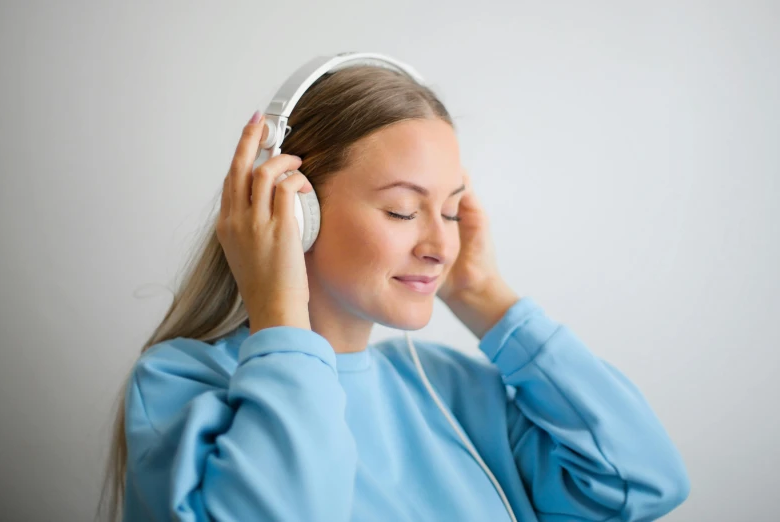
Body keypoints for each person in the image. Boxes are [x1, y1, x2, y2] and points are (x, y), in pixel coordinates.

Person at [97, 65, 690, 521]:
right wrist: (279, 315)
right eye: (403, 211)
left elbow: (642, 482)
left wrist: (483, 295)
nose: (440, 244)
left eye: (452, 211)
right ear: (297, 209)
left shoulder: (456, 391)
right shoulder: (181, 384)